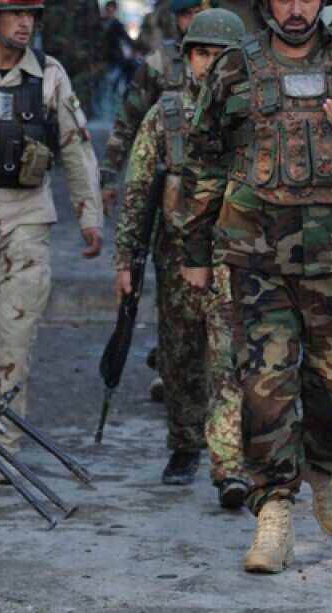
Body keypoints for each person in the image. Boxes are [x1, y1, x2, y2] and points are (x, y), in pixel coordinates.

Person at [179, 0, 332, 573]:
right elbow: (204, 161)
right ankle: (274, 511)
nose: (298, 7)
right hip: (257, 254)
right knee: (265, 383)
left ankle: (326, 466)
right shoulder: (235, 67)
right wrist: (194, 250)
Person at [0, 0, 104, 483]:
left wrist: (90, 216)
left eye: (32, 14)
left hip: (28, 221)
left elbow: (75, 144)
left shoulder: (49, 75)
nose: (25, 23)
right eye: (15, 13)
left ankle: (2, 445)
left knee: (16, 338)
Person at [113, 8, 249, 502]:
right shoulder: (166, 115)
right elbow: (138, 190)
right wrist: (125, 259)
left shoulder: (254, 116)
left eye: (221, 56)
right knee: (181, 354)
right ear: (188, 57)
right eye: (202, 54)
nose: (210, 65)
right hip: (175, 259)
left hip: (237, 258)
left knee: (229, 360)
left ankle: (228, 464)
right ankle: (185, 443)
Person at [101, 0, 206, 215]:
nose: (195, 21)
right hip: (171, 189)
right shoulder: (160, 62)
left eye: (199, 12)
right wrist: (109, 177)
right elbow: (126, 122)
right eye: (187, 14)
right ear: (177, 18)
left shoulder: (233, 61)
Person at [39, 0, 106, 118]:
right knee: (53, 101)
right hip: (55, 57)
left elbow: (96, 29)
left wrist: (97, 59)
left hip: (79, 61)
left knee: (76, 102)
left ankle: (76, 125)